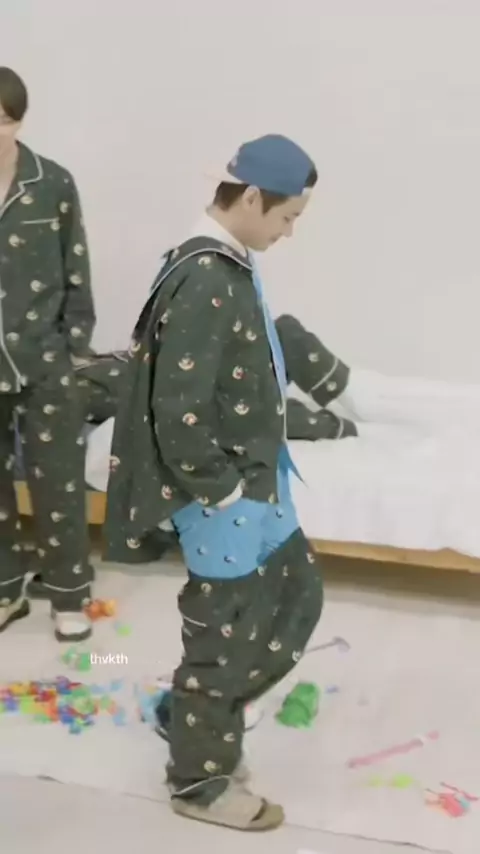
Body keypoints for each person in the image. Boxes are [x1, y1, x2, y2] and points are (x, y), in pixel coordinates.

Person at [104, 134, 324, 830]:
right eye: (287, 217)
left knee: (296, 596)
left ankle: (190, 714)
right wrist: (221, 491)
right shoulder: (204, 274)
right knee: (222, 636)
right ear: (251, 198)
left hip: (259, 482)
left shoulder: (230, 263)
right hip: (223, 497)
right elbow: (178, 408)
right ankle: (198, 780)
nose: (289, 232)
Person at [0, 67, 95, 641]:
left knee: (58, 481)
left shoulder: (52, 182)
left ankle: (68, 595)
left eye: (4, 121)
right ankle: (6, 589)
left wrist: (74, 346)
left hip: (44, 357)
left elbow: (75, 266)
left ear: (20, 121)